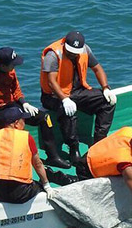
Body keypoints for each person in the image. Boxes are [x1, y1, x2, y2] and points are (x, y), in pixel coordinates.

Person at [46, 126, 132, 228]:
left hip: (95, 151)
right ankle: (51, 175)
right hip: (89, 167)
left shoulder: (131, 133)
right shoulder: (126, 163)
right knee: (79, 185)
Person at [39, 30, 116, 162]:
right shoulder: (53, 55)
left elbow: (97, 68)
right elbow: (51, 82)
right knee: (67, 111)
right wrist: (64, 99)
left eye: (76, 52)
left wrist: (105, 88)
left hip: (76, 91)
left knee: (107, 101)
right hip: (53, 96)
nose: (73, 54)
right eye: (70, 51)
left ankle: (99, 140)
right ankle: (73, 148)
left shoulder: (85, 50)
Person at [0, 118, 55, 204]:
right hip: (19, 193)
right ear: (16, 123)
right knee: (40, 187)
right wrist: (46, 185)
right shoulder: (26, 137)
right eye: (23, 120)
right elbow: (38, 164)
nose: (25, 123)